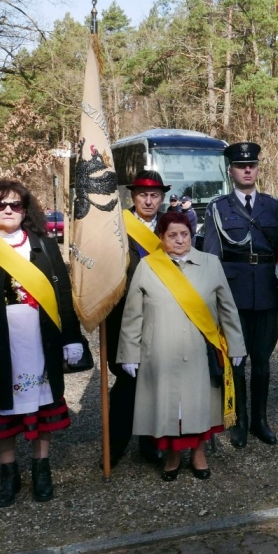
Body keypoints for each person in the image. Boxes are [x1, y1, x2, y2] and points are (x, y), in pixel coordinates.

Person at [0, 179, 84, 507]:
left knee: (41, 409)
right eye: (1, 205)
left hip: (39, 343)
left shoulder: (44, 245)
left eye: (15, 205)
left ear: (24, 210)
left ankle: (42, 469)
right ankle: (9, 474)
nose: (8, 210)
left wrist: (71, 336)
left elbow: (63, 295)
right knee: (2, 413)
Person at [117, 213, 246, 480]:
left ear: (191, 234)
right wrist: (129, 353)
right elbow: (132, 315)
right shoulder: (147, 266)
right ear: (161, 238)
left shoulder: (211, 264)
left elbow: (228, 310)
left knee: (200, 407)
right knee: (168, 409)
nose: (179, 240)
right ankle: (172, 457)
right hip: (160, 352)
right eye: (172, 235)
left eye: (184, 234)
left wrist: (236, 346)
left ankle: (199, 455)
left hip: (200, 351)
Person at [203, 142, 278, 447]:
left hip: (268, 292)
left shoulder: (272, 207)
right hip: (234, 294)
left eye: (252, 165)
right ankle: (238, 421)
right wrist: (214, 300)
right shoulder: (218, 208)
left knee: (263, 362)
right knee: (237, 360)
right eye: (241, 166)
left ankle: (260, 421)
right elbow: (212, 257)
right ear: (231, 170)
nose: (247, 170)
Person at [105, 169, 169, 467]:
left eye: (154, 195)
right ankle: (115, 445)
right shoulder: (116, 226)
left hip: (162, 315)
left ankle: (150, 444)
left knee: (157, 381)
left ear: (162, 198)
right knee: (127, 382)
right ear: (132, 196)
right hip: (125, 315)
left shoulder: (172, 227)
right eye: (142, 194)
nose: (148, 200)